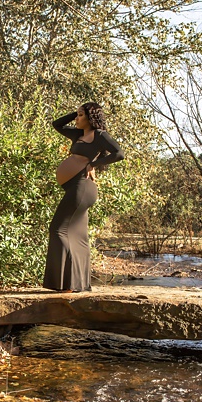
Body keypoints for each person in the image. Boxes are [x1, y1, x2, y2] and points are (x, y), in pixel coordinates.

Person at [43, 102, 125, 292]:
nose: (77, 119)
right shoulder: (78, 134)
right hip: (75, 187)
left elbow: (119, 154)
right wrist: (76, 112)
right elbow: (57, 124)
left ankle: (67, 284)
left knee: (58, 229)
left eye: (81, 115)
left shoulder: (99, 135)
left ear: (90, 118)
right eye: (77, 115)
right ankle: (78, 284)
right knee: (78, 236)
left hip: (82, 188)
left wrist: (94, 164)